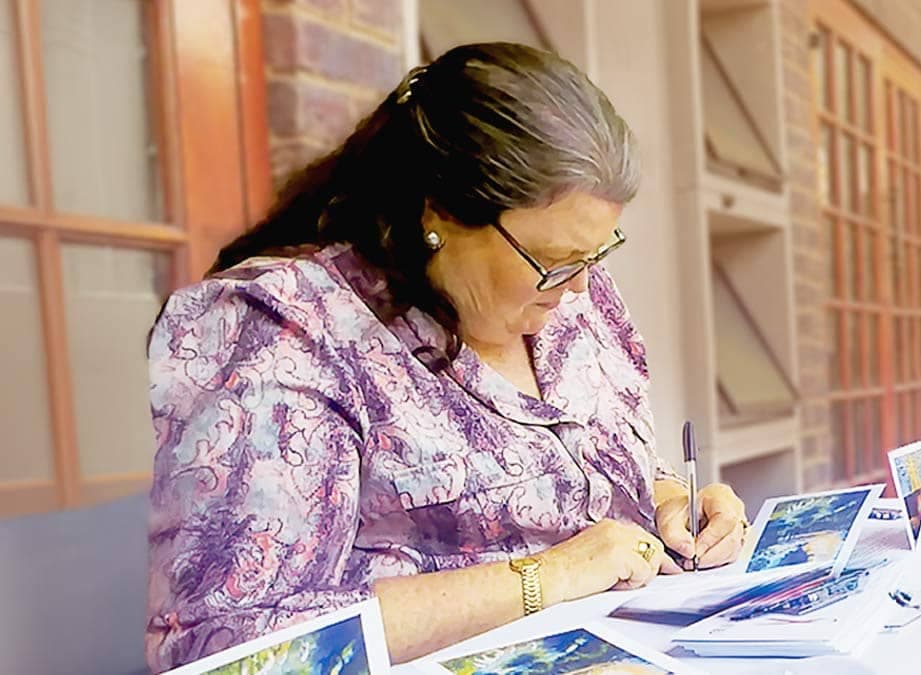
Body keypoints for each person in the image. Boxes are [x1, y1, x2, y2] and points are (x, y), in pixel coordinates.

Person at [145, 42, 748, 672]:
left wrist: (668, 501)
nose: (577, 287)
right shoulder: (282, 334)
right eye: (553, 260)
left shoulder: (575, 300)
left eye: (596, 254)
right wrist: (541, 578)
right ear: (437, 214)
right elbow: (226, 649)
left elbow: (578, 472)